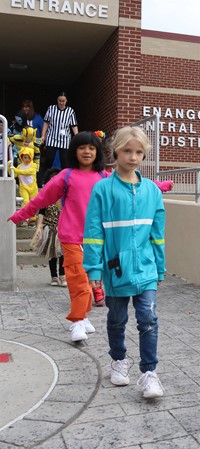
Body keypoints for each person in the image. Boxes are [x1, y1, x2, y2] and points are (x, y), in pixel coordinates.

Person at [83, 126, 166, 399]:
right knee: (117, 320)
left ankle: (149, 374)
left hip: (146, 270)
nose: (133, 157)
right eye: (128, 151)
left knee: (148, 319)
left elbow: (157, 235)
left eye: (139, 152)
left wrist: (160, 266)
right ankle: (118, 360)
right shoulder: (102, 190)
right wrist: (94, 268)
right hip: (115, 269)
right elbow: (94, 233)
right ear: (115, 151)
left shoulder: (153, 191)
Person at [7, 131, 110, 342]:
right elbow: (41, 198)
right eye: (82, 147)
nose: (87, 151)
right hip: (71, 236)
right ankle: (77, 320)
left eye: (91, 148)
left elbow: (131, 185)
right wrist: (20, 215)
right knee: (77, 279)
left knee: (91, 279)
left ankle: (84, 316)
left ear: (97, 152)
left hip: (96, 239)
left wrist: (159, 187)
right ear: (74, 151)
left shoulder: (104, 177)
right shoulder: (66, 175)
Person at [33, 168, 67, 287]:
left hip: (63, 229)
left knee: (63, 253)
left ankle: (63, 276)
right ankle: (54, 276)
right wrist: (39, 227)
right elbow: (41, 213)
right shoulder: (46, 197)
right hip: (50, 228)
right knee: (52, 253)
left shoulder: (65, 196)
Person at [41, 91, 78, 174]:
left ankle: (64, 179)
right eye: (59, 101)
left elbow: (74, 126)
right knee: (49, 159)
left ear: (66, 101)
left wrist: (77, 137)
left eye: (63, 101)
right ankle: (45, 177)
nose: (61, 103)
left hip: (65, 139)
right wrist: (43, 136)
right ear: (57, 100)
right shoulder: (51, 108)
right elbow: (46, 122)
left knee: (65, 162)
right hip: (52, 136)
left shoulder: (70, 111)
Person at [8, 146, 38, 226]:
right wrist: (9, 168)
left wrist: (16, 170)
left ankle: (32, 220)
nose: (27, 159)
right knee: (25, 202)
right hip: (23, 188)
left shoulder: (34, 165)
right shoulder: (19, 166)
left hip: (33, 188)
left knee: (33, 204)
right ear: (21, 157)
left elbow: (28, 172)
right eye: (25, 157)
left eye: (29, 157)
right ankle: (24, 219)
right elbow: (13, 175)